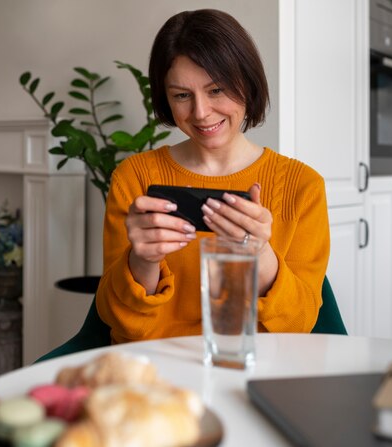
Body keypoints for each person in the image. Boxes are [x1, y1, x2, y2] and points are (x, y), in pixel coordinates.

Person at [95, 9, 330, 344]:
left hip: (256, 367)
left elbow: (300, 325)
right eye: (181, 95)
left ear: (247, 83)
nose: (201, 113)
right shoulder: (134, 178)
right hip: (158, 369)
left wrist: (260, 254)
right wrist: (142, 260)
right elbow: (116, 320)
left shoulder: (302, 186)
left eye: (216, 90)